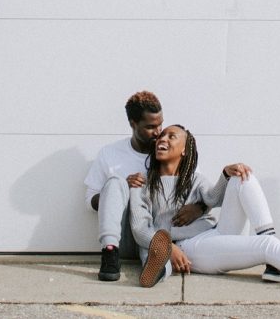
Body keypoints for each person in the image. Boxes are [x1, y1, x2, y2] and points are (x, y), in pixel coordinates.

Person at [129, 124, 280, 290]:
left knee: (243, 175)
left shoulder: (194, 178)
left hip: (215, 234)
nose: (163, 139)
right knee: (266, 245)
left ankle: (275, 262)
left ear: (184, 150)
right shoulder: (143, 183)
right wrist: (169, 247)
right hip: (190, 248)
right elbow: (140, 228)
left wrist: (225, 173)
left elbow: (213, 199)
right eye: (162, 136)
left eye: (172, 136)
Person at [83, 91, 209, 282]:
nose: (159, 132)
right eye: (151, 127)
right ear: (133, 124)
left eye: (160, 124)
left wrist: (199, 208)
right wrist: (122, 190)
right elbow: (90, 201)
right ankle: (109, 253)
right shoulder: (110, 154)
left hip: (160, 232)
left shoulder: (170, 151)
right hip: (125, 237)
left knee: (149, 239)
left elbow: (200, 188)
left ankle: (156, 271)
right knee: (116, 182)